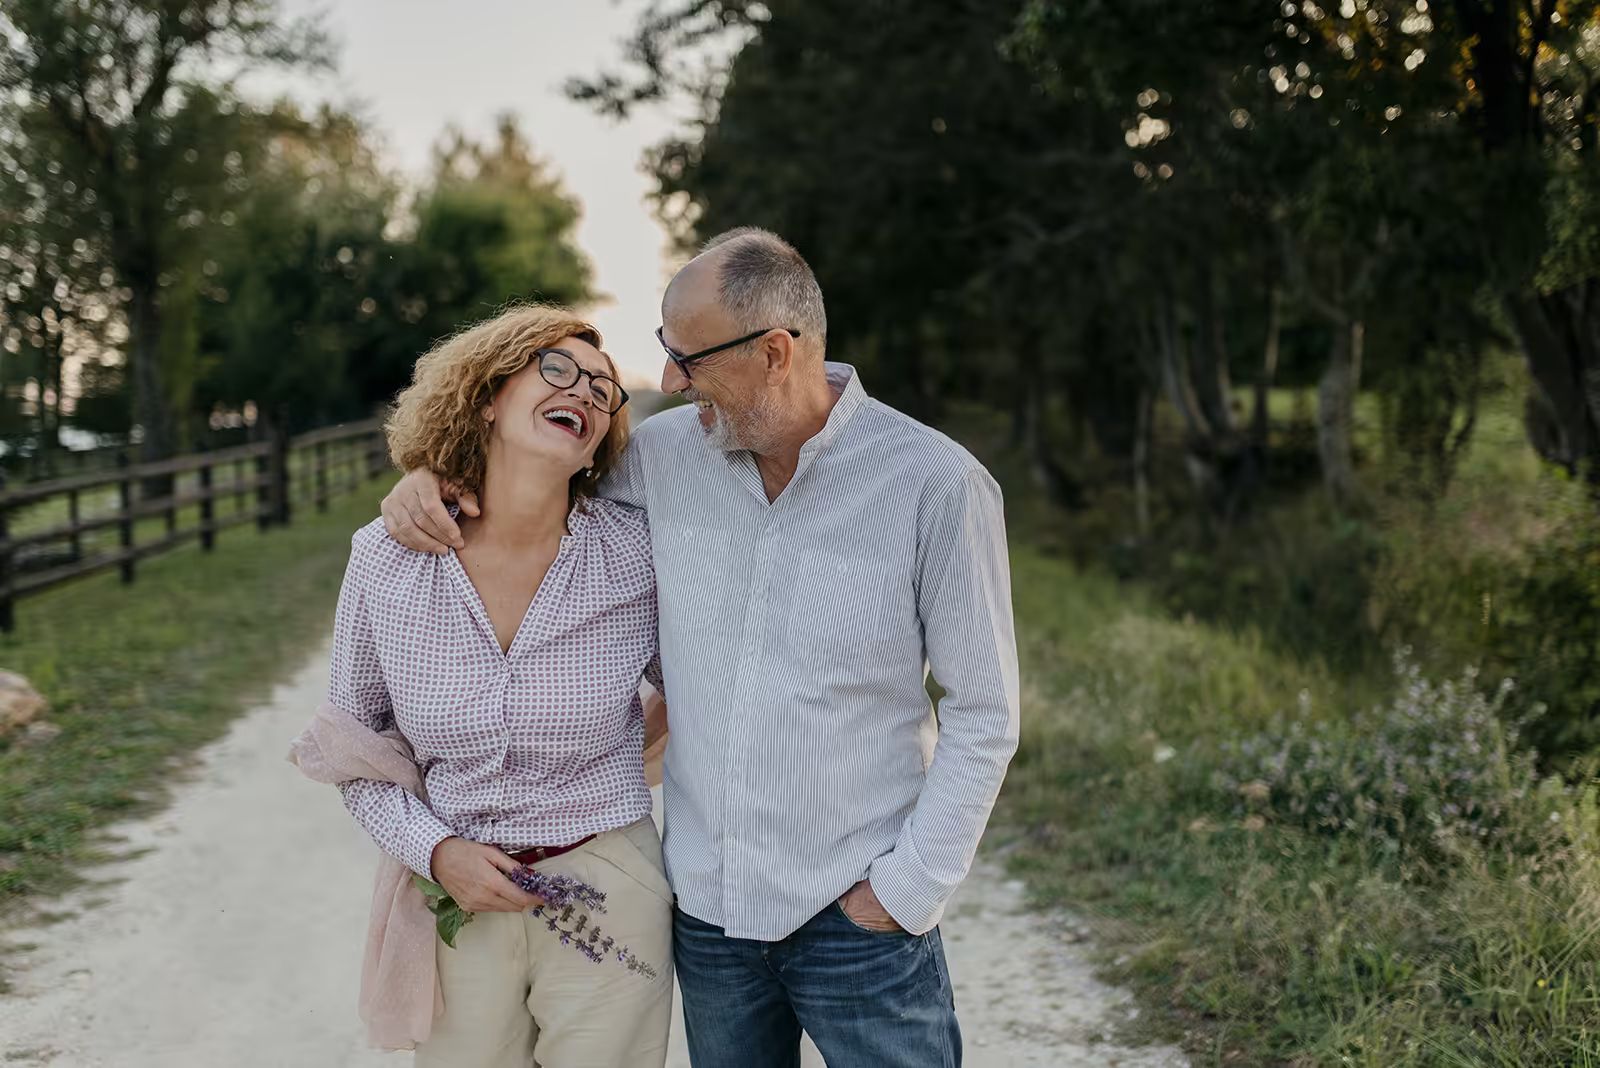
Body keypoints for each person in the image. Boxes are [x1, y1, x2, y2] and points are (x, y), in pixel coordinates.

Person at [381, 229, 1020, 1068]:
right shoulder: (660, 456)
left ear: (775, 353)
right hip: (710, 921)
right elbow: (522, 484)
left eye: (688, 357)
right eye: (665, 352)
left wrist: (907, 892)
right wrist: (427, 479)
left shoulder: (936, 485)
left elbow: (985, 712)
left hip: (861, 918)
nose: (672, 382)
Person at [305, 304, 673, 1067]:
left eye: (606, 391)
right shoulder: (385, 560)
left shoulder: (636, 554)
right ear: (486, 398)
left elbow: (709, 694)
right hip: (456, 894)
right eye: (559, 368)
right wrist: (435, 851)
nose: (588, 393)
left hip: (608, 885)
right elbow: (354, 754)